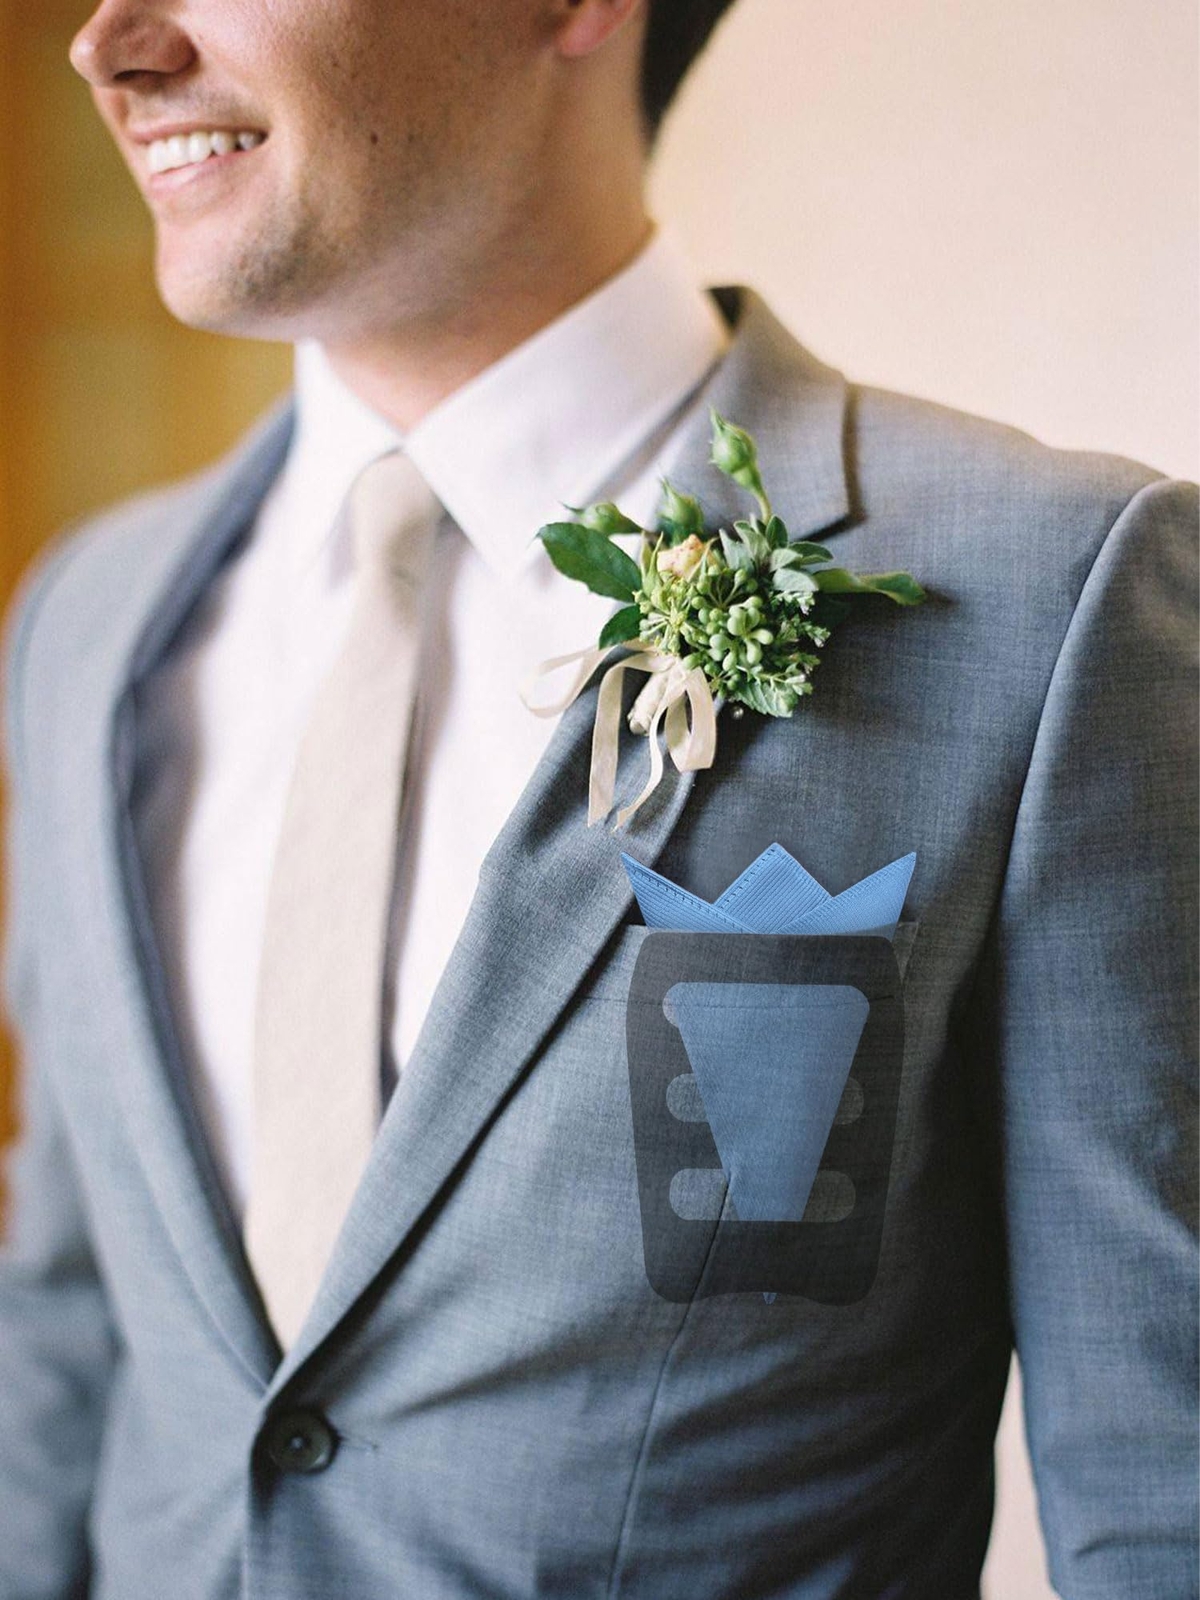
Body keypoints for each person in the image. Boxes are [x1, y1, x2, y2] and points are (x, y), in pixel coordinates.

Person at [1, 0, 1195, 1595]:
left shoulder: (1047, 601)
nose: (110, 44)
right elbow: (64, 1336)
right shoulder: (84, 627)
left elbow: (1165, 1494)